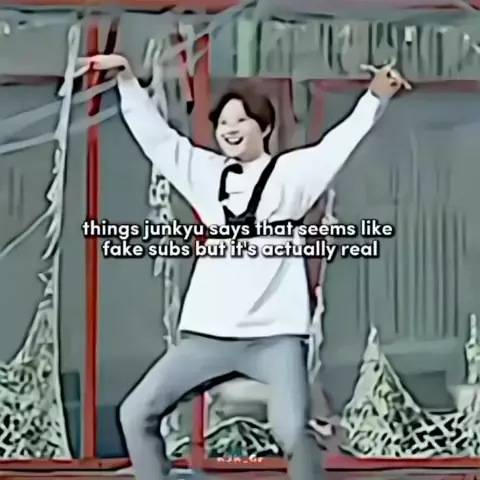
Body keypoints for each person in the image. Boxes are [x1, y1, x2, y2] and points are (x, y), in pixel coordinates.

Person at [81, 53, 411, 480]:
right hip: (208, 336)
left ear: (264, 128)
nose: (230, 129)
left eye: (240, 120)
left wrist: (375, 97)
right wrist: (126, 79)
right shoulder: (205, 174)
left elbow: (339, 144)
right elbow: (157, 140)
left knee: (292, 431)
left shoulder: (291, 176)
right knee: (136, 413)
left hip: (274, 339)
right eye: (223, 123)